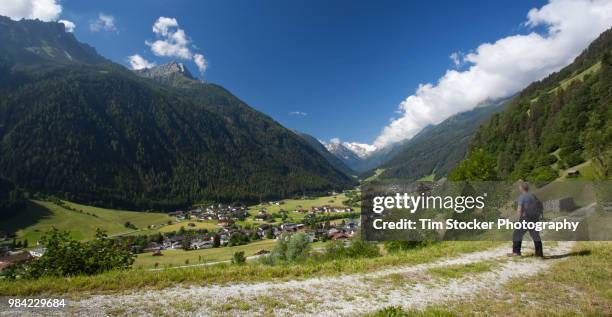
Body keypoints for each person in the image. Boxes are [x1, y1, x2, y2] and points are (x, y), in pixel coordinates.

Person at [509, 182, 544, 257]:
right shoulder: (533, 196)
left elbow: (519, 209)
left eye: (519, 187)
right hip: (534, 219)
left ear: (521, 188)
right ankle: (539, 254)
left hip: (526, 219)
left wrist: (518, 220)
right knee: (536, 236)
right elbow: (540, 206)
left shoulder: (522, 197)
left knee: (517, 234)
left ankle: (516, 252)